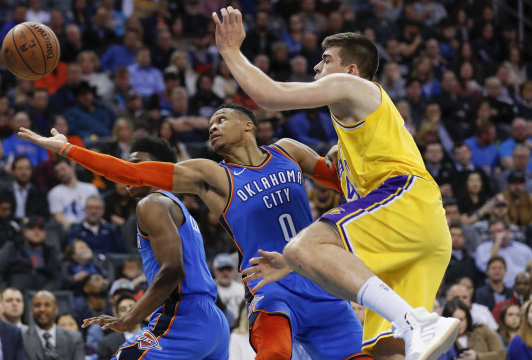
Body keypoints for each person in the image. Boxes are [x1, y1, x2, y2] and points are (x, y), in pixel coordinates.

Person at [19, 104, 366, 359]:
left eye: (220, 119)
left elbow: (347, 185)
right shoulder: (212, 175)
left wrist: (346, 156)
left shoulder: (287, 150)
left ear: (248, 125)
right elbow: (133, 173)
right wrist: (67, 149)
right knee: (274, 354)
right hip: (271, 287)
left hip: (320, 280)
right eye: (209, 124)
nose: (212, 128)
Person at [211, 8, 458, 358]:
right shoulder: (361, 128)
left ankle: (416, 321)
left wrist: (230, 52)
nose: (316, 68)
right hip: (420, 230)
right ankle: (414, 323)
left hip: (405, 200)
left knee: (300, 247)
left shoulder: (353, 85)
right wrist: (291, 265)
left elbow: (269, 96)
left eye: (325, 60)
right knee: (387, 352)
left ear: (351, 70)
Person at [81, 137, 230, 360]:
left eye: (137, 164)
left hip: (184, 317)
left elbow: (173, 270)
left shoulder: (151, 204)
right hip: (214, 323)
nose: (127, 171)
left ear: (159, 170)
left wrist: (129, 318)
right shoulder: (179, 209)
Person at [0, 216, 61, 294]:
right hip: (15, 297)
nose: (36, 232)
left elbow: (57, 279)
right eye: (32, 228)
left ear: (45, 233)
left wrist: (45, 293)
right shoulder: (13, 247)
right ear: (25, 231)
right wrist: (6, 292)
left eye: (41, 229)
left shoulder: (50, 252)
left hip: (42, 299)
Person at [22, 290, 85, 360]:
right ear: (31, 311)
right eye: (37, 305)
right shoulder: (22, 338)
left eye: (47, 305)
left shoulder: (74, 338)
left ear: (56, 309)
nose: (42, 309)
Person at [438, 298, 505, 359]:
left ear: (467, 318)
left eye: (461, 319)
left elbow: (501, 355)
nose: (459, 325)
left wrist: (477, 356)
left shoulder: (483, 330)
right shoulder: (443, 340)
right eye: (454, 321)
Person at [47, 157, 99, 228]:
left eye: (63, 169)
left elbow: (98, 212)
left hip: (91, 227)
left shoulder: (91, 189)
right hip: (69, 231)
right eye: (57, 172)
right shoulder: (54, 193)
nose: (61, 173)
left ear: (72, 167)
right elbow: (58, 218)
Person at [0, 155, 49, 222]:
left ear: (31, 171)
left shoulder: (39, 194)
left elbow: (44, 216)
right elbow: (1, 215)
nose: (24, 172)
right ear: (13, 171)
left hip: (32, 228)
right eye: (20, 169)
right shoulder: (4, 192)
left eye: (27, 168)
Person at [95, 294, 141, 359]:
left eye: (132, 307)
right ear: (117, 316)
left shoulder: (154, 331)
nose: (129, 311)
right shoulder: (106, 343)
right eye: (123, 309)